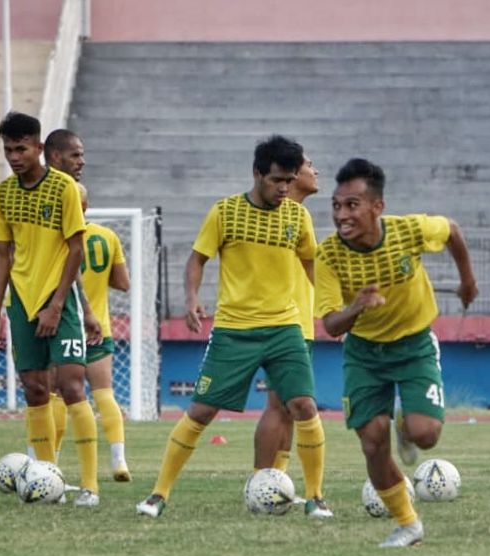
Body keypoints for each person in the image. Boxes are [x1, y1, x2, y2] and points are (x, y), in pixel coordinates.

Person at [136, 135, 332, 519]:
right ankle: (158, 494)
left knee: (303, 406)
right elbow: (197, 259)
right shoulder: (224, 212)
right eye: (277, 180)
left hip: (284, 328)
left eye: (290, 180)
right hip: (233, 330)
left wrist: (326, 305)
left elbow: (310, 263)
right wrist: (191, 298)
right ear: (257, 173)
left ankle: (316, 497)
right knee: (201, 412)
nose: (284, 188)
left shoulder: (298, 217)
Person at [315, 158, 477, 547]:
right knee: (371, 441)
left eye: (352, 205)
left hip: (414, 345)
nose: (342, 215)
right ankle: (408, 524)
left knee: (426, 436)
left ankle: (406, 424)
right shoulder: (328, 256)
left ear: (377, 207)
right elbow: (331, 326)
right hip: (364, 353)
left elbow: (452, 230)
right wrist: (356, 306)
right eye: (336, 206)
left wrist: (467, 280)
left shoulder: (409, 231)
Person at [0, 112, 103, 508]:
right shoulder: (1, 194)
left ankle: (90, 485)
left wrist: (57, 304)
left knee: (72, 386)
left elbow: (75, 248)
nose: (14, 156)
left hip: (60, 301)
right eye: (8, 149)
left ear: (39, 148)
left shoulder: (64, 188)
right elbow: (2, 253)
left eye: (21, 149)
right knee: (35, 391)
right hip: (21, 302)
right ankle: (48, 477)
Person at [40, 130, 132, 482]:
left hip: (62, 321)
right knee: (104, 393)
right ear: (87, 207)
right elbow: (123, 284)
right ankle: (119, 460)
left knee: (58, 395)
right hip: (100, 328)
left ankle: (52, 462)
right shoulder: (106, 237)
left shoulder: (54, 235)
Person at [253, 154, 319, 472]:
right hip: (283, 321)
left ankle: (276, 480)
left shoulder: (298, 216)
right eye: (309, 165)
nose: (315, 171)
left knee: (289, 407)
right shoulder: (276, 216)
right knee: (280, 405)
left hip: (299, 320)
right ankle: (263, 480)